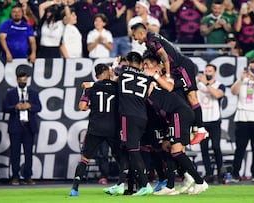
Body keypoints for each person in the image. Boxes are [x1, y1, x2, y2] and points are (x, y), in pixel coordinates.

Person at [130, 22, 208, 145]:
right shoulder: (150, 39)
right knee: (181, 96)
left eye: (134, 35)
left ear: (140, 32)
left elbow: (164, 56)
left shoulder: (151, 40)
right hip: (176, 70)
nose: (133, 38)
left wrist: (167, 75)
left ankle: (201, 129)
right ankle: (193, 128)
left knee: (192, 96)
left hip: (181, 67)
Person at [143, 50, 208, 195]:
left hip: (180, 114)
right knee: (170, 150)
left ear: (158, 66)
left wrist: (153, 76)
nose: (145, 67)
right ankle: (170, 186)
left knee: (177, 151)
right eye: (144, 65)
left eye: (148, 64)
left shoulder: (166, 78)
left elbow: (169, 86)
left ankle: (199, 181)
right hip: (174, 116)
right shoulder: (153, 79)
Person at [104, 52, 153, 196]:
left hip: (128, 115)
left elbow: (113, 75)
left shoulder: (123, 71)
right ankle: (120, 184)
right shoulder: (147, 76)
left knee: (132, 148)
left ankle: (145, 184)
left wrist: (116, 62)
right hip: (142, 116)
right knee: (125, 149)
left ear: (128, 61)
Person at [69, 63, 121, 196]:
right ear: (107, 72)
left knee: (85, 159)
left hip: (95, 127)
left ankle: (75, 188)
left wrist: (94, 106)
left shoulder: (90, 88)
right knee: (122, 157)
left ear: (97, 75)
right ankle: (130, 183)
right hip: (112, 127)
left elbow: (82, 106)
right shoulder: (116, 87)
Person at [3, 71, 42, 186]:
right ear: (17, 80)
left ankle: (28, 176)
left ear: (27, 80)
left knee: (28, 153)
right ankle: (15, 176)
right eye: (21, 80)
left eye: (24, 80)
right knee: (15, 153)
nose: (22, 82)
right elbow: (4, 107)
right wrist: (15, 107)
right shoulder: (11, 93)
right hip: (15, 126)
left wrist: (30, 106)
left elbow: (39, 107)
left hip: (28, 127)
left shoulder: (33, 93)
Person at [196, 64, 225, 183]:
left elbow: (218, 94)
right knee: (204, 148)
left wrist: (207, 84)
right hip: (202, 121)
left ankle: (220, 172)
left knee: (216, 146)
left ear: (215, 72)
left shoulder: (219, 85)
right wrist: (198, 80)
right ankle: (208, 173)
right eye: (206, 71)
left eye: (210, 71)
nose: (208, 73)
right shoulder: (198, 85)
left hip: (214, 120)